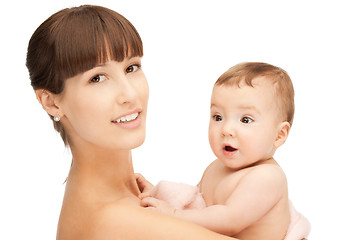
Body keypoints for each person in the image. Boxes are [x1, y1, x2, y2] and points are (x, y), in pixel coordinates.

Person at [26, 5, 236, 240]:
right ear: (51, 102)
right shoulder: (115, 221)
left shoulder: (117, 199)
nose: (130, 94)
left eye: (131, 67)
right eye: (97, 78)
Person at [137, 62, 310, 239]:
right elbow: (194, 205)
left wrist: (173, 214)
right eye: (218, 117)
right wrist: (159, 196)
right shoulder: (216, 167)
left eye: (245, 120)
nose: (226, 129)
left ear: (279, 135)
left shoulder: (267, 177)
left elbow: (229, 220)